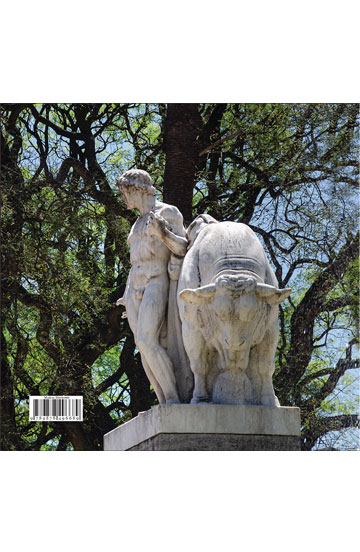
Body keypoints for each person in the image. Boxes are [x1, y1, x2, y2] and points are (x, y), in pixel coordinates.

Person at [116, 169, 189, 404]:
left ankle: (173, 400)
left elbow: (182, 248)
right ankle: (163, 400)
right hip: (135, 288)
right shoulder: (136, 224)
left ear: (135, 189)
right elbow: (135, 262)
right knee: (141, 344)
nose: (123, 198)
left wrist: (162, 233)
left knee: (148, 341)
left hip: (156, 282)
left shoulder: (167, 212)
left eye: (124, 192)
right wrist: (126, 294)